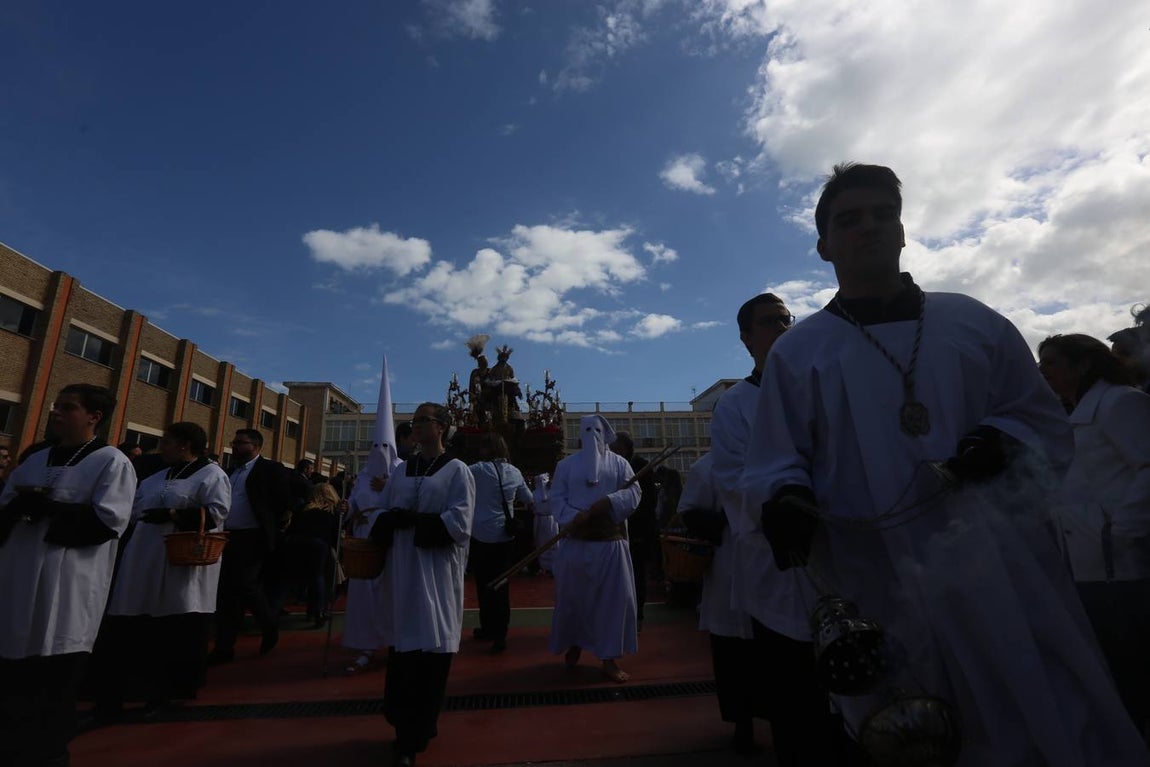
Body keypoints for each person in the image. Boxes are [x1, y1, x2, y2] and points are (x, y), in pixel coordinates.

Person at [745, 162, 1146, 764]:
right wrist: (785, 498)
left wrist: (1002, 438)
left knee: (1039, 713)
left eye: (885, 215)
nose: (870, 228)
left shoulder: (974, 323)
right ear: (824, 244)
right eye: (850, 220)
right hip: (876, 575)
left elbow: (1040, 422)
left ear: (904, 231)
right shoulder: (800, 353)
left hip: (997, 565)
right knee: (912, 731)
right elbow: (776, 459)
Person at [711, 292, 844, 765]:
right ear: (747, 340)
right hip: (781, 564)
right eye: (770, 322)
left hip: (845, 553)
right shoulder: (735, 406)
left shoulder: (822, 387)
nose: (783, 327)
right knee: (798, 697)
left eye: (787, 319)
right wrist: (789, 498)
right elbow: (735, 481)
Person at [0, 384, 136, 767]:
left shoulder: (111, 461)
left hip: (68, 581)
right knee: (13, 672)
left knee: (53, 675)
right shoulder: (34, 458)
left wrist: (51, 508)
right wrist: (21, 506)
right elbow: (7, 505)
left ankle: (49, 752)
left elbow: (110, 519)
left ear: (94, 416)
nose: (56, 413)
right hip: (18, 572)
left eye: (68, 407)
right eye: (56, 406)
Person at [1039, 333, 1150, 734]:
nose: (1043, 371)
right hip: (1090, 568)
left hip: (1125, 570)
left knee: (1136, 673)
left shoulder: (1121, 402)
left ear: (1083, 364)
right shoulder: (1077, 413)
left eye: (1051, 362)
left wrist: (1121, 531)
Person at [93, 421, 231, 718]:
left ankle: (171, 689)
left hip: (183, 558)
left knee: (176, 620)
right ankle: (130, 687)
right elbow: (132, 512)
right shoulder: (155, 477)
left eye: (167, 442)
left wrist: (172, 514)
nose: (162, 448)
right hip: (144, 554)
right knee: (138, 619)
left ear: (184, 445)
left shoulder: (212, 475)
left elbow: (217, 513)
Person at [365, 402, 475, 766]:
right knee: (403, 648)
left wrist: (415, 521)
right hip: (402, 568)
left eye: (423, 420)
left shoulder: (457, 470)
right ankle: (402, 723)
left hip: (435, 571)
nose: (415, 425)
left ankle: (420, 726)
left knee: (430, 647)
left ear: (441, 427)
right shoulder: (402, 470)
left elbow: (459, 522)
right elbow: (381, 508)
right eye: (413, 421)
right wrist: (389, 519)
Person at [548, 415, 641, 683]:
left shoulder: (620, 464)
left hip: (610, 545)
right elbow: (556, 497)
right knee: (573, 599)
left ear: (605, 434)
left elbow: (634, 493)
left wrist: (609, 502)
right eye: (587, 430)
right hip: (576, 544)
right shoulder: (566, 466)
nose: (592, 435)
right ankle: (574, 642)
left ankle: (608, 658)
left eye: (597, 430)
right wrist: (570, 515)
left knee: (612, 603)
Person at [678, 452, 759, 755]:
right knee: (733, 652)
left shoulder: (769, 457)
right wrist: (726, 517)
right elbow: (689, 511)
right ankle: (743, 724)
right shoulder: (707, 466)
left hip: (770, 572)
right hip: (728, 570)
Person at [209, 429, 291, 664]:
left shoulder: (270, 469)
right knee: (226, 591)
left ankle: (268, 623)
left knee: (245, 584)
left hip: (254, 536)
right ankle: (224, 647)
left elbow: (282, 500)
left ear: (255, 445)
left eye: (240, 443)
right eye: (234, 442)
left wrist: (271, 527)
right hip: (227, 535)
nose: (234, 446)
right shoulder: (230, 471)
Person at [468, 433, 532, 653]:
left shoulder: (476, 470)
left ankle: (487, 627)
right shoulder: (514, 472)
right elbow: (529, 498)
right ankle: (500, 634)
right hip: (505, 537)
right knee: (501, 587)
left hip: (480, 535)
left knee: (483, 584)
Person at [609, 432, 658, 631]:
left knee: (636, 572)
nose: (611, 450)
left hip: (637, 528)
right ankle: (619, 614)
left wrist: (632, 518)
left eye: (614, 446)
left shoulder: (641, 466)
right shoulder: (613, 466)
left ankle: (637, 615)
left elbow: (648, 501)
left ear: (624, 448)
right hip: (615, 528)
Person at [283, 482, 342, 628]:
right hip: (320, 545)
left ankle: (306, 607)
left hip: (298, 542)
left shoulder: (304, 508)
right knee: (320, 577)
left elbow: (292, 527)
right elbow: (335, 535)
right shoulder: (331, 512)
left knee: (305, 577)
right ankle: (319, 611)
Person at [531, 473, 558, 575]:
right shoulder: (551, 492)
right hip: (543, 519)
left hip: (548, 518)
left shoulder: (549, 492)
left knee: (550, 542)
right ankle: (545, 565)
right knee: (542, 542)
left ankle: (550, 565)